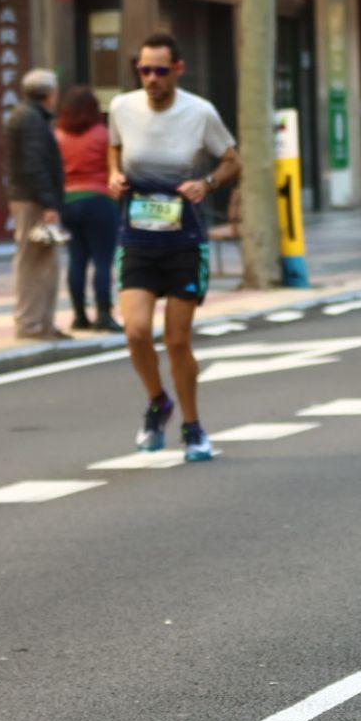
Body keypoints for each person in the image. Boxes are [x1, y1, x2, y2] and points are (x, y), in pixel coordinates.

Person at [107, 32, 240, 461]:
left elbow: (232, 159)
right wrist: (113, 175)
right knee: (136, 330)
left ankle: (192, 425)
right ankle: (157, 400)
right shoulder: (121, 107)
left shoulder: (200, 112)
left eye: (160, 71)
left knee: (177, 339)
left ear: (177, 70)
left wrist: (208, 183)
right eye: (143, 70)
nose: (150, 79)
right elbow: (114, 148)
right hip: (137, 236)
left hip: (183, 240)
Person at [5, 68, 70, 341]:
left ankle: (42, 323)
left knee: (45, 261)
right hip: (33, 200)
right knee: (33, 261)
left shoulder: (30, 116)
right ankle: (31, 324)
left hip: (32, 197)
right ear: (50, 93)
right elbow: (34, 164)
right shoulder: (31, 119)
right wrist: (48, 202)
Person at [55, 85, 122, 332]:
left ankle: (79, 315)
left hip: (68, 202)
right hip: (99, 200)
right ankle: (104, 314)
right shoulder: (102, 134)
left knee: (76, 260)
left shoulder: (58, 135)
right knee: (103, 261)